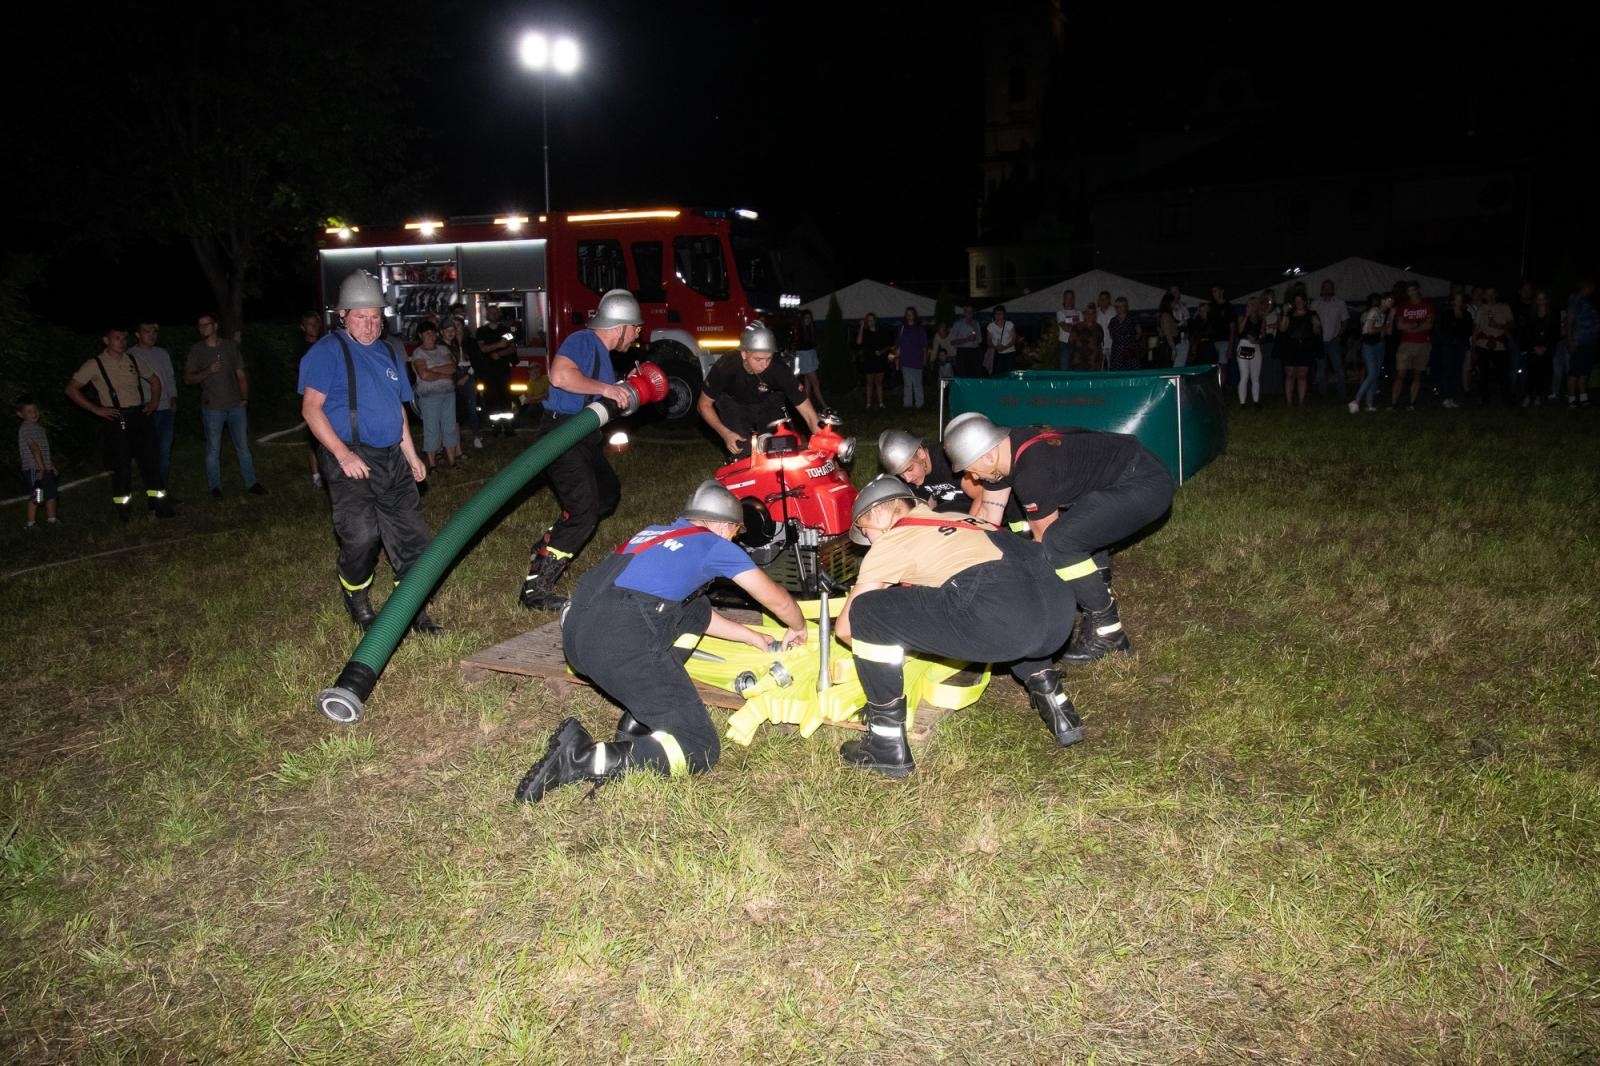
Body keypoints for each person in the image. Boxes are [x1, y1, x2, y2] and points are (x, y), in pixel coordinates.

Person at [512, 482, 807, 801]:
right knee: (698, 746)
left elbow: (693, 614)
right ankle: (583, 756)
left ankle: (641, 720)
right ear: (724, 525)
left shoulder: (654, 533)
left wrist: (751, 636)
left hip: (578, 636)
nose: (734, 539)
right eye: (736, 532)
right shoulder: (713, 544)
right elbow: (776, 599)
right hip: (618, 644)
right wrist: (798, 626)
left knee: (696, 605)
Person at [829, 477, 1083, 777]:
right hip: (1058, 611)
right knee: (1010, 602)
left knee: (866, 612)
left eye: (866, 531)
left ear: (878, 514)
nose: (868, 541)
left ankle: (885, 743)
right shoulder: (958, 517)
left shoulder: (893, 539)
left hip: (1005, 617)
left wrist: (890, 651)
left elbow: (846, 627)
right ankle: (1058, 707)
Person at [944, 413, 1173, 665]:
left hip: (1145, 483)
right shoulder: (1004, 453)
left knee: (1059, 544)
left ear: (987, 456)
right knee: (1074, 530)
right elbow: (989, 514)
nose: (974, 478)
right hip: (1121, 476)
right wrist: (964, 560)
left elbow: (1044, 545)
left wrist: (1017, 587)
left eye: (972, 471)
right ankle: (1096, 588)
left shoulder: (1032, 472)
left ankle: (1109, 633)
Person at [297, 271, 441, 635]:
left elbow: (398, 410)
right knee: (361, 536)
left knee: (411, 539)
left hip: (392, 456)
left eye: (376, 317)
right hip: (350, 456)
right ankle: (356, 594)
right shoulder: (327, 352)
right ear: (343, 315)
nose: (370, 324)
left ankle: (411, 609)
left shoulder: (390, 351)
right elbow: (311, 409)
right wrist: (342, 455)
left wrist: (412, 455)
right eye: (361, 316)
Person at [519, 289, 642, 611]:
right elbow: (561, 376)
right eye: (636, 328)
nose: (638, 335)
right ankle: (535, 590)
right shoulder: (583, 340)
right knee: (583, 512)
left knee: (607, 494)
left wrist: (622, 386)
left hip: (583, 438)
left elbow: (594, 390)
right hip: (561, 434)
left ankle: (548, 545)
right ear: (621, 326)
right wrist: (606, 388)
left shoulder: (601, 353)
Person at [65, 326, 174, 521]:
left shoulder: (133, 359)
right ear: (106, 341)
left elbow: (155, 381)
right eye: (117, 338)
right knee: (121, 466)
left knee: (151, 462)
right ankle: (125, 512)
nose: (122, 342)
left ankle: (159, 506)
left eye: (124, 338)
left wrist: (153, 403)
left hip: (139, 416)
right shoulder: (95, 364)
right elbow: (72, 389)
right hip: (117, 419)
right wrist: (96, 409)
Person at [699, 319, 823, 458]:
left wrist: (824, 442)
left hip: (768, 402)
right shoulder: (726, 366)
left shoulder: (779, 368)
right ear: (744, 354)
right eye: (758, 359)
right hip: (733, 403)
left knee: (781, 448)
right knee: (743, 451)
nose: (764, 365)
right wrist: (725, 433)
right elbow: (704, 405)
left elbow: (809, 414)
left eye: (768, 358)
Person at [184, 312, 264, 499]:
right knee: (213, 449)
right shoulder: (197, 350)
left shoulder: (229, 347)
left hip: (236, 406)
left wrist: (245, 399)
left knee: (243, 446)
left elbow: (241, 375)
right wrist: (208, 371)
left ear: (215, 326)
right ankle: (215, 487)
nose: (203, 328)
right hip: (212, 408)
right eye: (200, 325)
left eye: (206, 324)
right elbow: (188, 379)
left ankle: (251, 483)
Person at [878, 428, 977, 514]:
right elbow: (927, 507)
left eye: (910, 469)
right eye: (901, 474)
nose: (908, 479)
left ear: (920, 453)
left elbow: (981, 497)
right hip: (953, 510)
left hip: (976, 507)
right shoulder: (914, 478)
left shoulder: (947, 460)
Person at [130, 322, 177, 486]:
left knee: (164, 453)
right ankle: (152, 488)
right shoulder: (130, 355)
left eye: (154, 332)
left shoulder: (162, 353)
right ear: (138, 334)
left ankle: (161, 489)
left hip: (166, 410)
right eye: (147, 331)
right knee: (148, 453)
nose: (152, 335)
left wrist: (173, 398)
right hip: (146, 411)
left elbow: (170, 377)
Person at [408, 323, 459, 469]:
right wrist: (444, 374)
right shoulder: (418, 353)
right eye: (427, 333)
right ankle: (432, 465)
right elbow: (424, 375)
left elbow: (452, 368)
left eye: (432, 332)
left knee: (450, 428)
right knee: (431, 429)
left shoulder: (443, 349)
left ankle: (452, 462)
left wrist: (434, 369)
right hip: (429, 396)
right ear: (420, 336)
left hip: (448, 394)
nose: (430, 336)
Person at [16, 396, 59, 529]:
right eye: (29, 411)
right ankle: (30, 524)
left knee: (51, 493)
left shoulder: (39, 428)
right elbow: (34, 448)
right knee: (37, 496)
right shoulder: (26, 428)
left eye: (35, 410)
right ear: (20, 414)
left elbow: (43, 450)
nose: (33, 413)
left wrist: (50, 465)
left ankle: (52, 519)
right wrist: (40, 468)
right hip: (34, 468)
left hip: (44, 467)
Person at [1391, 283, 1433, 410]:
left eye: (1413, 290)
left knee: (1417, 374)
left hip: (1423, 344)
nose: (1411, 293)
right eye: (1409, 291)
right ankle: (1393, 404)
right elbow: (1399, 325)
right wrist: (1418, 324)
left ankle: (1412, 404)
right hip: (1406, 344)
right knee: (1400, 374)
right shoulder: (1403, 306)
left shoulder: (1427, 305)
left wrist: (1410, 327)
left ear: (1418, 290)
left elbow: (1429, 325)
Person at [475, 304, 517, 434]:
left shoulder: (506, 330)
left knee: (506, 396)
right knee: (491, 397)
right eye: (491, 312)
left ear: (499, 314)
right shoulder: (481, 331)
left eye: (495, 312)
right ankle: (496, 426)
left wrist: (499, 354)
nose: (493, 315)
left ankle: (508, 426)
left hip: (503, 369)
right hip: (488, 370)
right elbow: (482, 348)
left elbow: (512, 348)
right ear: (486, 315)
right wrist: (498, 345)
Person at [297, 312, 327, 488]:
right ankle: (316, 476)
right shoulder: (302, 350)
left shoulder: (327, 345)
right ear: (303, 327)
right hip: (312, 399)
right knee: (314, 438)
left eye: (316, 323)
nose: (313, 327)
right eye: (309, 324)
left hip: (330, 399)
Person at [1471, 287, 1515, 405]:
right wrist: (1473, 349)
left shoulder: (1504, 307)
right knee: (1483, 373)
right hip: (1483, 344)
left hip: (1499, 345)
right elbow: (1475, 330)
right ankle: (1484, 398)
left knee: (1503, 373)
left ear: (1496, 295)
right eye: (1487, 294)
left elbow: (1511, 325)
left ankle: (1506, 398)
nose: (1490, 297)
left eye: (1492, 294)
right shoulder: (1481, 309)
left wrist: (1498, 326)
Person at [442, 320, 480, 454]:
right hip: (454, 375)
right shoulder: (449, 343)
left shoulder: (470, 342)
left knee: (471, 406)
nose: (454, 329)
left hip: (468, 374)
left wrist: (467, 376)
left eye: (457, 325)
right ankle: (455, 441)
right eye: (452, 326)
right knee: (455, 409)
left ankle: (476, 436)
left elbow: (477, 361)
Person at [1351, 292, 1393, 413]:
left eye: (1392, 301)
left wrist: (1392, 317)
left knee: (1376, 374)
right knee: (1372, 373)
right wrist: (1382, 328)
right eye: (1389, 300)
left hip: (1380, 344)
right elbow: (1370, 330)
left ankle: (1369, 404)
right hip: (1369, 344)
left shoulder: (1385, 314)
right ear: (1383, 300)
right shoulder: (1374, 311)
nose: (1391, 303)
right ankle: (1356, 401)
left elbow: (1388, 332)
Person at [1517, 290, 1560, 408]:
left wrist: (1545, 346)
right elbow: (1527, 333)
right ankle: (1528, 395)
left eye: (1543, 298)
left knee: (1543, 373)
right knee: (1531, 372)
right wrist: (1534, 346)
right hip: (1533, 348)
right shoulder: (1530, 314)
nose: (1541, 301)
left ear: (1546, 300)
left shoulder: (1553, 314)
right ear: (1535, 300)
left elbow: (1555, 333)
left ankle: (1538, 396)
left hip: (1547, 348)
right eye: (1539, 299)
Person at [1278, 293, 1319, 406]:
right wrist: (1284, 313)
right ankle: (1289, 402)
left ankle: (1301, 401)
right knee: (1289, 374)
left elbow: (1316, 332)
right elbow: (1282, 329)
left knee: (1302, 375)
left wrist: (1316, 325)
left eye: (1300, 300)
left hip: (1305, 347)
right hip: (1290, 347)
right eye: (1296, 301)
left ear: (1305, 302)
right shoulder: (1289, 314)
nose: (1298, 303)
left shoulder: (1312, 314)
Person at [1434, 292, 1473, 409]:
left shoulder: (1467, 314)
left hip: (1461, 346)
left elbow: (1468, 330)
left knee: (1457, 371)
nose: (1459, 301)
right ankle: (1446, 396)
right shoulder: (1446, 313)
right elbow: (1443, 330)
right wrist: (1450, 339)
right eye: (1457, 299)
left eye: (1461, 299)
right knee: (1448, 370)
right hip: (1448, 346)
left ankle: (1452, 396)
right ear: (1452, 301)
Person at [1312, 280, 1349, 399]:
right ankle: (1322, 394)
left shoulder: (1340, 303)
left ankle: (1342, 393)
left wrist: (1339, 335)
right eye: (1325, 287)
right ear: (1321, 289)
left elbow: (1345, 321)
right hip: (1320, 341)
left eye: (1329, 287)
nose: (1327, 289)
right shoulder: (1315, 304)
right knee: (1321, 368)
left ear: (1333, 289)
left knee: (1338, 367)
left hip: (1333, 339)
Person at [1564, 278, 1596, 408]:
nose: (1592, 289)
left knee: (1584, 371)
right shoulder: (1575, 300)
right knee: (1574, 371)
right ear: (1585, 287)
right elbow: (1569, 322)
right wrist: (1570, 340)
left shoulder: (1587, 301)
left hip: (1588, 341)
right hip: (1578, 341)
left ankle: (1583, 398)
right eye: (1591, 287)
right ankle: (1571, 399)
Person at [893, 307, 929, 409]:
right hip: (905, 360)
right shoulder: (902, 329)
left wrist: (925, 358)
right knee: (907, 384)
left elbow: (924, 346)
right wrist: (897, 359)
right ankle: (907, 404)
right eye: (907, 314)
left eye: (911, 314)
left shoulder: (920, 329)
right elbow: (898, 346)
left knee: (918, 383)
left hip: (917, 360)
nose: (909, 316)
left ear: (914, 316)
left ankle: (919, 404)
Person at [853, 312, 891, 407]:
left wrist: (881, 352)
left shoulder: (881, 331)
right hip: (869, 360)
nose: (870, 322)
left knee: (879, 382)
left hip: (880, 360)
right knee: (869, 383)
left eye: (872, 320)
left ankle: (881, 403)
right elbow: (858, 342)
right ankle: (868, 403)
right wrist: (861, 327)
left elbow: (888, 346)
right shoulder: (865, 332)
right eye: (868, 320)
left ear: (875, 321)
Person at [792, 308, 826, 410]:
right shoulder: (799, 330)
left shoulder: (810, 329)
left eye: (809, 318)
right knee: (816, 383)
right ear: (802, 319)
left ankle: (807, 407)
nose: (808, 320)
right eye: (806, 318)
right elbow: (798, 345)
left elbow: (813, 343)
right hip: (805, 356)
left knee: (808, 383)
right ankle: (824, 406)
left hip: (811, 354)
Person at [1235, 296, 1264, 407]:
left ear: (1256, 306)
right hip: (1244, 345)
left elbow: (1263, 335)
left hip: (1255, 347)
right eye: (1248, 305)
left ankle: (1256, 401)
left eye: (1252, 305)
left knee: (1255, 377)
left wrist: (1257, 340)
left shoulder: (1261, 319)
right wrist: (1246, 316)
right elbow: (1239, 331)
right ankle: (1242, 402)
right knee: (1244, 375)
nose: (1249, 307)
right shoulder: (1242, 317)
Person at [1106, 297, 1143, 371]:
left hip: (1130, 351)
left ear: (1125, 307)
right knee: (1117, 372)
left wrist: (1132, 342)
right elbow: (1111, 335)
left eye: (1120, 306)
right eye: (1116, 306)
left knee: (1131, 372)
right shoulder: (1113, 321)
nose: (1118, 308)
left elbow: (1139, 333)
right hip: (1117, 352)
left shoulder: (1132, 318)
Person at [1206, 284, 1234, 383]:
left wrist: (1230, 345)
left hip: (1224, 341)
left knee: (1223, 366)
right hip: (1212, 341)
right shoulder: (1211, 306)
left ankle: (1221, 388)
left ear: (1222, 291)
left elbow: (1232, 327)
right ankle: (1214, 387)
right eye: (1212, 291)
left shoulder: (1228, 306)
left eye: (1216, 291)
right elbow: (1208, 324)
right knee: (1212, 366)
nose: (1214, 294)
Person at [950, 304, 983, 378]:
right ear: (964, 312)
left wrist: (975, 340)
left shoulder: (976, 323)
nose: (969, 313)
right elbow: (952, 341)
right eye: (967, 311)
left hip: (975, 352)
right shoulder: (958, 324)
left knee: (975, 375)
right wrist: (967, 339)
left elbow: (979, 340)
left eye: (971, 311)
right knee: (963, 375)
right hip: (963, 352)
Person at [985, 305, 1018, 375]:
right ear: (994, 315)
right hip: (997, 354)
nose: (999, 316)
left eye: (1001, 314)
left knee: (1010, 373)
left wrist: (1005, 347)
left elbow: (1014, 339)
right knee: (998, 373)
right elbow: (988, 341)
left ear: (1004, 315)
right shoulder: (991, 326)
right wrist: (996, 347)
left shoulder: (1009, 324)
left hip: (1009, 353)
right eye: (997, 314)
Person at [1055, 289, 1084, 370]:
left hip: (1077, 344)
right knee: (1064, 368)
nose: (1069, 300)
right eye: (1067, 298)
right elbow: (1064, 327)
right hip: (1065, 344)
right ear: (1064, 300)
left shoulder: (1079, 313)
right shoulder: (1060, 313)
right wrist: (1075, 328)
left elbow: (1082, 327)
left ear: (1073, 299)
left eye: (1071, 298)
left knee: (1077, 368)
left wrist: (1072, 327)